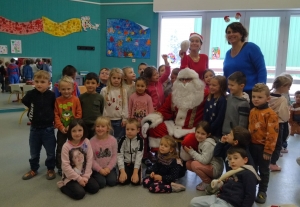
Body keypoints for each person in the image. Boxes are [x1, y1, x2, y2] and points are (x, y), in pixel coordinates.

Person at [141, 68, 207, 152]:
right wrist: (148, 122)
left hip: (193, 129)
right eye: (181, 79)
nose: (184, 82)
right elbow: (164, 110)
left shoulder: (204, 94)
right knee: (155, 128)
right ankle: (162, 156)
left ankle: (184, 161)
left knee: (188, 141)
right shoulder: (174, 95)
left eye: (187, 79)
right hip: (175, 126)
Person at [189, 147, 260, 207]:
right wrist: (219, 185)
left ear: (245, 160)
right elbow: (218, 189)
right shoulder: (230, 173)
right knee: (193, 202)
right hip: (219, 198)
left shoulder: (248, 174)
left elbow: (250, 196)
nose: (232, 161)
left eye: (235, 158)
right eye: (230, 159)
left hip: (231, 203)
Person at [21, 70, 56, 180]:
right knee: (34, 152)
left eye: (42, 81)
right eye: (37, 81)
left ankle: (50, 169)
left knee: (50, 152)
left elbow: (54, 108)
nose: (39, 84)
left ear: (48, 83)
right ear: (33, 82)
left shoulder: (52, 95)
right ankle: (33, 169)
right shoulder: (31, 94)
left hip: (48, 129)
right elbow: (25, 102)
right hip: (34, 129)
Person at [223, 22, 267, 106]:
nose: (231, 34)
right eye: (228, 32)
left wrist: (260, 92)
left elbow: (261, 70)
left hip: (251, 95)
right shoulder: (228, 53)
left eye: (234, 31)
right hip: (233, 95)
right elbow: (226, 75)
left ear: (241, 34)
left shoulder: (251, 47)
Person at [248, 83, 279, 204]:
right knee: (252, 169)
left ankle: (262, 191)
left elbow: (272, 134)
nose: (255, 99)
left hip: (263, 148)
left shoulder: (271, 114)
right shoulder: (252, 111)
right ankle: (250, 189)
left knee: (264, 171)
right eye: (254, 96)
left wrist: (268, 150)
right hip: (251, 146)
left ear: (268, 98)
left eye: (259, 97)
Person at [57, 119, 99, 200]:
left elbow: (89, 160)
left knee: (95, 188)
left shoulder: (86, 141)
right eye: (74, 131)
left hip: (84, 174)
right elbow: (65, 166)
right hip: (70, 176)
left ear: (84, 130)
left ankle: (80, 184)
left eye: (80, 130)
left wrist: (86, 177)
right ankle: (63, 186)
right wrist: (79, 179)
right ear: (70, 132)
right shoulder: (66, 146)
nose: (77, 133)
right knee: (80, 194)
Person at [54, 76, 82, 176]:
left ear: (73, 88)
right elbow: (56, 115)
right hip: (61, 130)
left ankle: (75, 164)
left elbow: (78, 114)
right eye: (63, 89)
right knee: (60, 148)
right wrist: (60, 127)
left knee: (75, 147)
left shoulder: (76, 100)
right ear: (59, 89)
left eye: (68, 89)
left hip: (74, 130)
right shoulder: (57, 100)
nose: (66, 91)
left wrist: (71, 127)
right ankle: (60, 166)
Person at [183, 121, 223, 191]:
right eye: (198, 132)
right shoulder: (202, 141)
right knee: (188, 164)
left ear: (208, 135)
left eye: (203, 134)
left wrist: (191, 152)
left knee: (194, 164)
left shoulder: (208, 143)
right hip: (209, 166)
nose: (199, 135)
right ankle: (209, 179)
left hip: (215, 169)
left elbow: (204, 161)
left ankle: (207, 182)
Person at [128, 77, 154, 166]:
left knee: (144, 141)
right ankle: (134, 156)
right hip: (134, 124)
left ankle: (144, 157)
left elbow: (150, 112)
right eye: (138, 85)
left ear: (146, 87)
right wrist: (130, 122)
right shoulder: (132, 97)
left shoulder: (148, 98)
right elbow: (129, 109)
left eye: (142, 86)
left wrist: (148, 122)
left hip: (144, 125)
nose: (140, 88)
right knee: (134, 140)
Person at [268, 76, 291, 171]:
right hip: (279, 124)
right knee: (278, 144)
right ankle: (273, 163)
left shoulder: (268, 96)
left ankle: (267, 161)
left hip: (268, 123)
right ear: (282, 86)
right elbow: (284, 115)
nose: (289, 89)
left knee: (269, 142)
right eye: (288, 87)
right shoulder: (282, 100)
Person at [90, 116, 118, 189]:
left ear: (108, 128)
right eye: (98, 126)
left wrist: (108, 168)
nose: (100, 128)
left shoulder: (113, 140)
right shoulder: (91, 141)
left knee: (112, 182)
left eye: (103, 126)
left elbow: (115, 156)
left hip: (109, 168)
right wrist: (100, 169)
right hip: (97, 169)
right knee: (101, 183)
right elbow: (91, 159)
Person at [101, 68, 128, 140]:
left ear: (121, 79)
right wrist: (104, 117)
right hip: (107, 119)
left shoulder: (123, 91)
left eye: (118, 78)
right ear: (110, 78)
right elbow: (102, 105)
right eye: (114, 78)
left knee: (118, 139)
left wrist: (124, 118)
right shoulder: (104, 90)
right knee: (107, 138)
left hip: (119, 120)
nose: (116, 80)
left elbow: (125, 105)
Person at [118, 118, 144, 185]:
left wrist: (135, 173)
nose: (129, 131)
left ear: (138, 130)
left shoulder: (140, 141)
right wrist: (122, 171)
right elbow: (119, 156)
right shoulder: (122, 140)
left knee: (136, 182)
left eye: (132, 129)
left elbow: (139, 157)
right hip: (126, 163)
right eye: (127, 129)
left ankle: (137, 173)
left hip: (135, 164)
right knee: (122, 182)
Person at [80, 72, 105, 138]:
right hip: (84, 124)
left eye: (93, 83)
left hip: (96, 125)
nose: (90, 85)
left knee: (95, 142)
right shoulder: (81, 97)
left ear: (98, 84)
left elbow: (102, 111)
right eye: (88, 83)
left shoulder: (100, 97)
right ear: (84, 84)